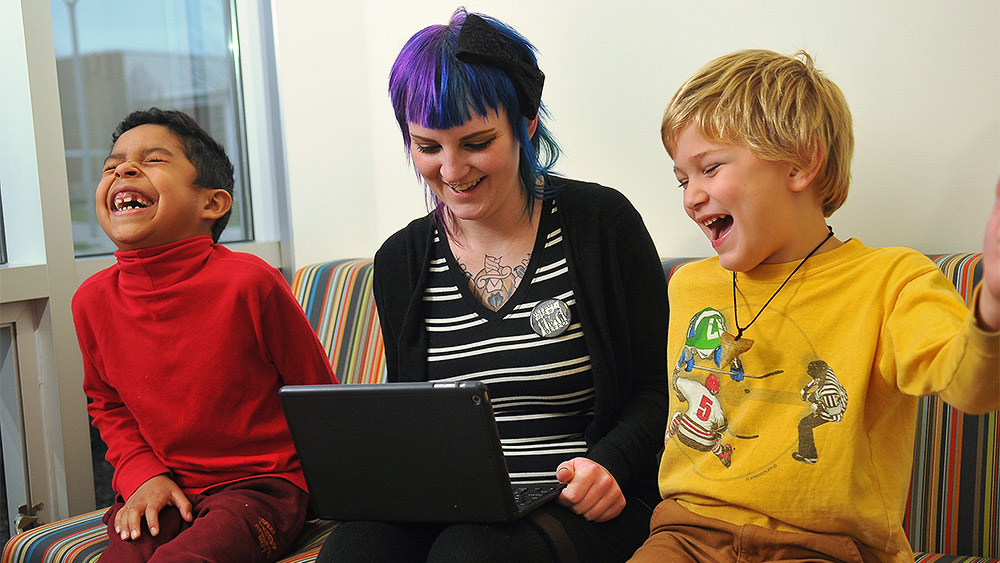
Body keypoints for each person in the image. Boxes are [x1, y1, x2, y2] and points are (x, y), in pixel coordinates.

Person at [316, 8, 668, 563]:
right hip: (451, 504)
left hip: (579, 500)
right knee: (353, 551)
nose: (452, 171)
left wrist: (614, 464)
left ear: (526, 125)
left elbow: (658, 384)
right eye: (427, 147)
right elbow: (414, 416)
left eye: (476, 142)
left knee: (470, 554)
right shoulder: (401, 261)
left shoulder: (601, 223)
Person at [628, 49, 999, 563]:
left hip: (825, 548)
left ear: (802, 163)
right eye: (682, 179)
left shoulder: (890, 280)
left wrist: (993, 307)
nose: (691, 196)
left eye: (710, 168)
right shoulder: (690, 286)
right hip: (687, 535)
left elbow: (971, 386)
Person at [73, 108, 339, 562]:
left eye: (153, 160)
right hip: (164, 483)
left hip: (263, 487)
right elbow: (108, 404)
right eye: (112, 165)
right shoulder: (92, 300)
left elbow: (317, 396)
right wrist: (141, 474)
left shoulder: (250, 282)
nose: (124, 170)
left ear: (212, 204)